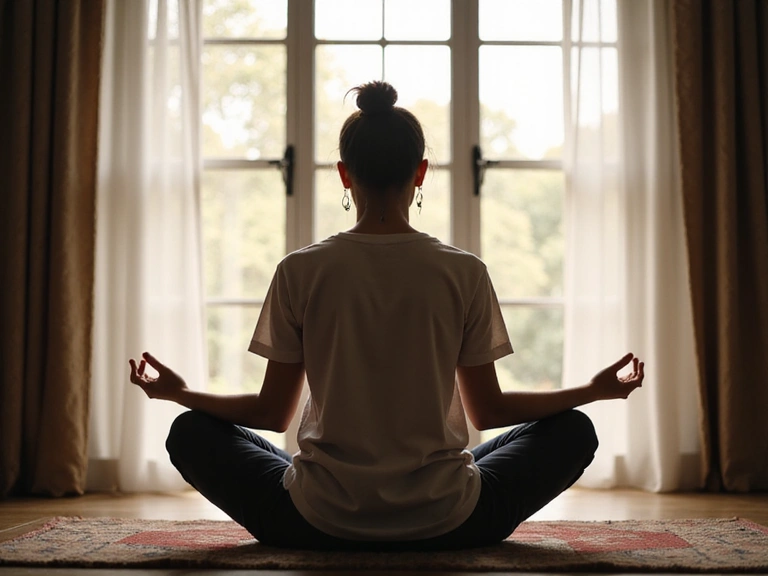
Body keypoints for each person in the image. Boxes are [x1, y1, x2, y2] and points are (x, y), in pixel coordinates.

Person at [128, 80, 644, 551]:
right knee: (573, 430)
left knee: (190, 431)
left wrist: (179, 394)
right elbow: (487, 411)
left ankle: (331, 500)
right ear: (421, 172)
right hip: (449, 519)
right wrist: (592, 392)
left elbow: (271, 414)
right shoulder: (463, 272)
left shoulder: (299, 270)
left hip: (314, 520)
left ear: (343, 174)